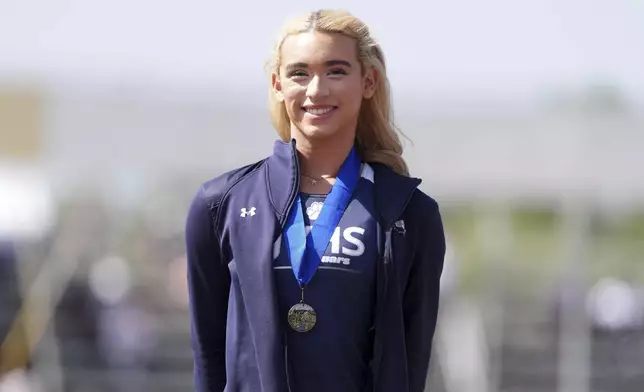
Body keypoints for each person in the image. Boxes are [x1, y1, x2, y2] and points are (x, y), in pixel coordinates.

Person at [185, 9, 446, 392]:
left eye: (336, 71)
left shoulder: (409, 213)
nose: (316, 90)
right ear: (277, 85)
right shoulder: (220, 204)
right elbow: (208, 359)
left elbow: (411, 362)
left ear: (368, 81)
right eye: (299, 73)